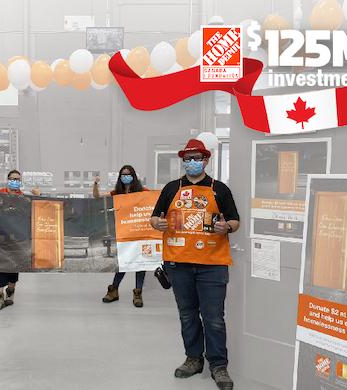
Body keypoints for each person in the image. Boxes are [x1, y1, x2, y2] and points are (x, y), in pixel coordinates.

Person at [149, 139, 240, 390]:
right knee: (187, 314)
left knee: (213, 318)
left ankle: (219, 366)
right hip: (178, 264)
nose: (191, 162)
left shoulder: (219, 189)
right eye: (187, 159)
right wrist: (157, 224)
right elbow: (155, 218)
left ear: (206, 160)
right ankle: (193, 359)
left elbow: (234, 220)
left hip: (213, 264)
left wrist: (226, 227)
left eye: (196, 158)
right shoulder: (171, 188)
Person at [0, 169, 40, 311]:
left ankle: (10, 292)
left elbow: (37, 211)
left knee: (14, 268)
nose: (15, 181)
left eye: (18, 179)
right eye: (13, 179)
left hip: (17, 240)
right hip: (0, 239)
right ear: (8, 180)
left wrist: (38, 197)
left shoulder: (23, 197)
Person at [93, 165, 149, 307]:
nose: (126, 177)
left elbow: (155, 199)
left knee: (140, 263)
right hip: (123, 232)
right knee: (123, 262)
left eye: (128, 174)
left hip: (139, 232)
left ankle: (138, 293)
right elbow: (97, 197)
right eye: (123, 175)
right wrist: (95, 184)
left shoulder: (143, 192)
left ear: (133, 176)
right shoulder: (116, 193)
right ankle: (114, 290)